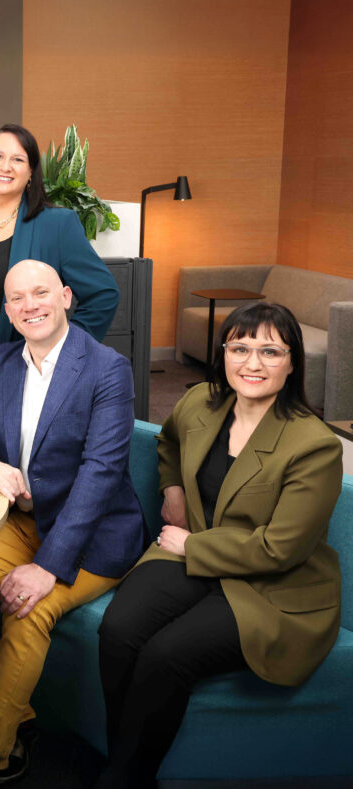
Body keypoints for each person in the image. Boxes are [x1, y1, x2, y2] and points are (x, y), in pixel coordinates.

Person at [96, 302, 344, 789]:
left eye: (270, 351)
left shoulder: (314, 445)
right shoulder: (200, 402)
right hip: (197, 550)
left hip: (273, 586)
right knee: (119, 630)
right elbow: (167, 443)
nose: (252, 364)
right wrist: (171, 491)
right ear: (223, 353)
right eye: (240, 348)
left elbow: (281, 550)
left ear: (293, 363)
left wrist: (193, 547)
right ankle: (123, 757)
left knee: (165, 656)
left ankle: (125, 778)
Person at [0, 260, 147, 786]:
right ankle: (17, 717)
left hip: (93, 536)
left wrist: (49, 566)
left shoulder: (106, 368)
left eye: (41, 293)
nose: (31, 305)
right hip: (23, 522)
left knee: (26, 610)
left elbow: (102, 473)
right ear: (8, 310)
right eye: (18, 298)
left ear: (66, 297)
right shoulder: (0, 362)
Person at [0, 123, 120, 404]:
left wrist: (62, 353)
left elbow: (104, 294)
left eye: (18, 159)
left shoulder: (56, 224)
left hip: (20, 380)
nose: (6, 166)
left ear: (30, 174)